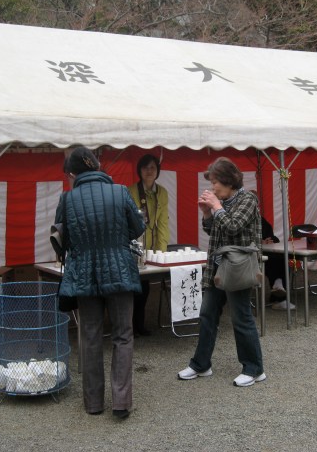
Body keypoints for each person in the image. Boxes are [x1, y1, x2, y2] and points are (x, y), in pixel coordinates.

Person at [55, 147, 145, 419]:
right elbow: (137, 228)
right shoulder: (120, 192)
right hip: (119, 270)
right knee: (123, 335)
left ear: (72, 174)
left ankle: (93, 403)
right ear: (97, 166)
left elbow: (62, 239)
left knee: (91, 336)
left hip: (85, 273)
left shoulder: (67, 199)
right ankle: (121, 402)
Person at [177, 157, 266, 387]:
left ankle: (254, 369)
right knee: (207, 313)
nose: (213, 187)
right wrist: (207, 213)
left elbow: (233, 226)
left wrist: (216, 207)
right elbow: (215, 231)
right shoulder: (223, 201)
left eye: (215, 181)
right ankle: (201, 364)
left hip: (238, 266)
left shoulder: (248, 199)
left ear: (228, 180)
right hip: (218, 266)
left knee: (241, 317)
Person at [128, 154, 170, 336]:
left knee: (145, 288)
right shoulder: (130, 191)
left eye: (153, 167)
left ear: (158, 171)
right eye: (145, 167)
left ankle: (140, 324)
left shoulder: (162, 192)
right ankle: (131, 326)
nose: (149, 171)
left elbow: (163, 224)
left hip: (152, 249)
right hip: (134, 248)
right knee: (135, 288)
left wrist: (161, 253)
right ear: (139, 170)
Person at [250, 190, 288, 306]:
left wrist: (269, 241)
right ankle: (279, 295)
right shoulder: (240, 220)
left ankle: (278, 288)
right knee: (272, 261)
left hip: (265, 252)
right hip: (249, 256)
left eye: (257, 204)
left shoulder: (261, 220)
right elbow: (240, 240)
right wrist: (260, 241)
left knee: (282, 258)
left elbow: (270, 235)